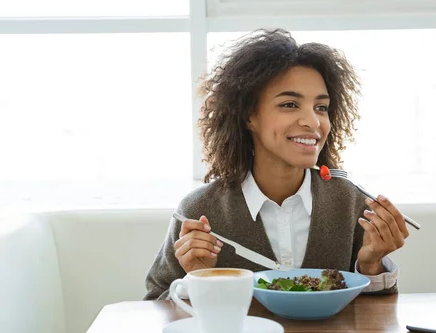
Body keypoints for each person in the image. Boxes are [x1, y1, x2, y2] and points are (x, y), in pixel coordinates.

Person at [144, 29, 408, 300]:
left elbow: (375, 323)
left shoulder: (351, 203)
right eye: (290, 104)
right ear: (249, 116)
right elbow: (153, 304)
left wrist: (371, 265)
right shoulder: (200, 211)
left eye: (321, 107)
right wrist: (197, 281)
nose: (313, 122)